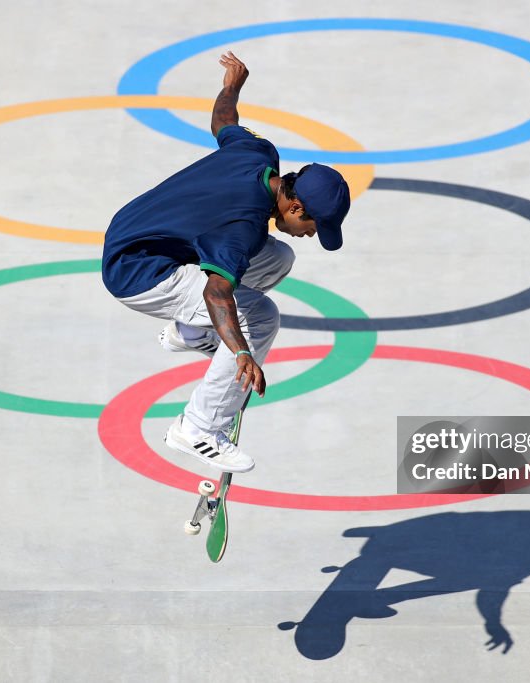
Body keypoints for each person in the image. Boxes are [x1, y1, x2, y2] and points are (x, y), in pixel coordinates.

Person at [102, 52, 351, 474]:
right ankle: (198, 427)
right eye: (313, 225)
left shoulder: (258, 155)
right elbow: (216, 291)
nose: (312, 234)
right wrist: (240, 352)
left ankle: (186, 331)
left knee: (277, 257)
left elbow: (222, 120)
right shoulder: (243, 227)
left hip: (138, 234)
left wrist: (233, 84)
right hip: (139, 272)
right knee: (261, 318)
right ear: (294, 203)